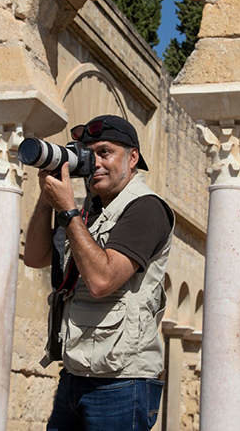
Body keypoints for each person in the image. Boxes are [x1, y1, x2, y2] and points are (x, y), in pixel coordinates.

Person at [24, 114, 175, 431]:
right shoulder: (87, 212)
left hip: (123, 382)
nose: (95, 163)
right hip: (76, 374)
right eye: (87, 154)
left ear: (132, 158)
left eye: (105, 152)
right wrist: (46, 196)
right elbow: (34, 257)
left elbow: (102, 281)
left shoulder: (146, 208)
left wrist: (67, 210)